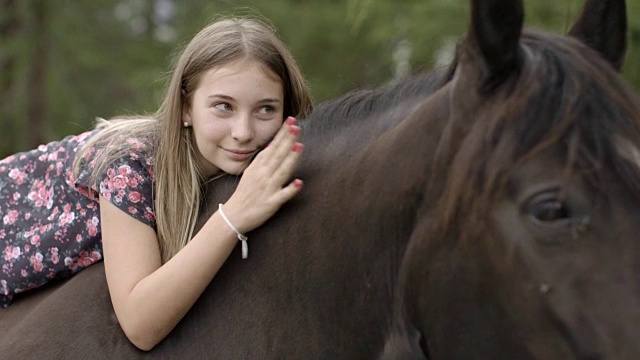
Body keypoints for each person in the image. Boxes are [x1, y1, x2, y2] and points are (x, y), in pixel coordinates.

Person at [0, 16, 313, 351]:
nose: (243, 132)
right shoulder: (129, 168)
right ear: (185, 108)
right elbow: (140, 324)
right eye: (224, 106)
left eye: (266, 109)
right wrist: (232, 216)